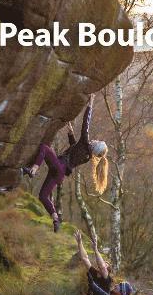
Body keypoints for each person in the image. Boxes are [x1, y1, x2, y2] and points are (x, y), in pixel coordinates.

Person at [22, 94, 108, 232]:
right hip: (59, 174)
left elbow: (86, 123)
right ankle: (56, 219)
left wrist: (90, 104)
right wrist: (70, 134)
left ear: (95, 147)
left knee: (44, 147)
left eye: (97, 142)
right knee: (43, 196)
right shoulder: (87, 156)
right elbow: (74, 150)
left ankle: (32, 170)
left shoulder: (85, 143)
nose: (95, 140)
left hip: (59, 166)